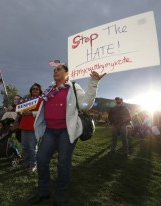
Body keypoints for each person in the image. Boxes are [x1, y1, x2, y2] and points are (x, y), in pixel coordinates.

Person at [29, 64, 105, 206]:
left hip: (66, 131)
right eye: (54, 70)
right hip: (50, 131)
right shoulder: (49, 90)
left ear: (67, 73)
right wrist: (31, 112)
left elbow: (85, 104)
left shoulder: (73, 87)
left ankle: (60, 196)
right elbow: (45, 109)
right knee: (41, 159)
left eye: (58, 69)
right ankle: (44, 191)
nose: (55, 71)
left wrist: (93, 82)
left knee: (63, 164)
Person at [19, 83, 43, 173]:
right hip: (24, 125)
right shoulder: (26, 100)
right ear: (31, 90)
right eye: (33, 89)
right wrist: (22, 112)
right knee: (25, 147)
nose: (35, 90)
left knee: (32, 147)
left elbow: (43, 113)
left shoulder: (42, 100)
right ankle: (26, 163)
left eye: (37, 89)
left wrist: (32, 113)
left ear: (39, 90)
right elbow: (20, 110)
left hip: (33, 127)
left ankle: (33, 164)